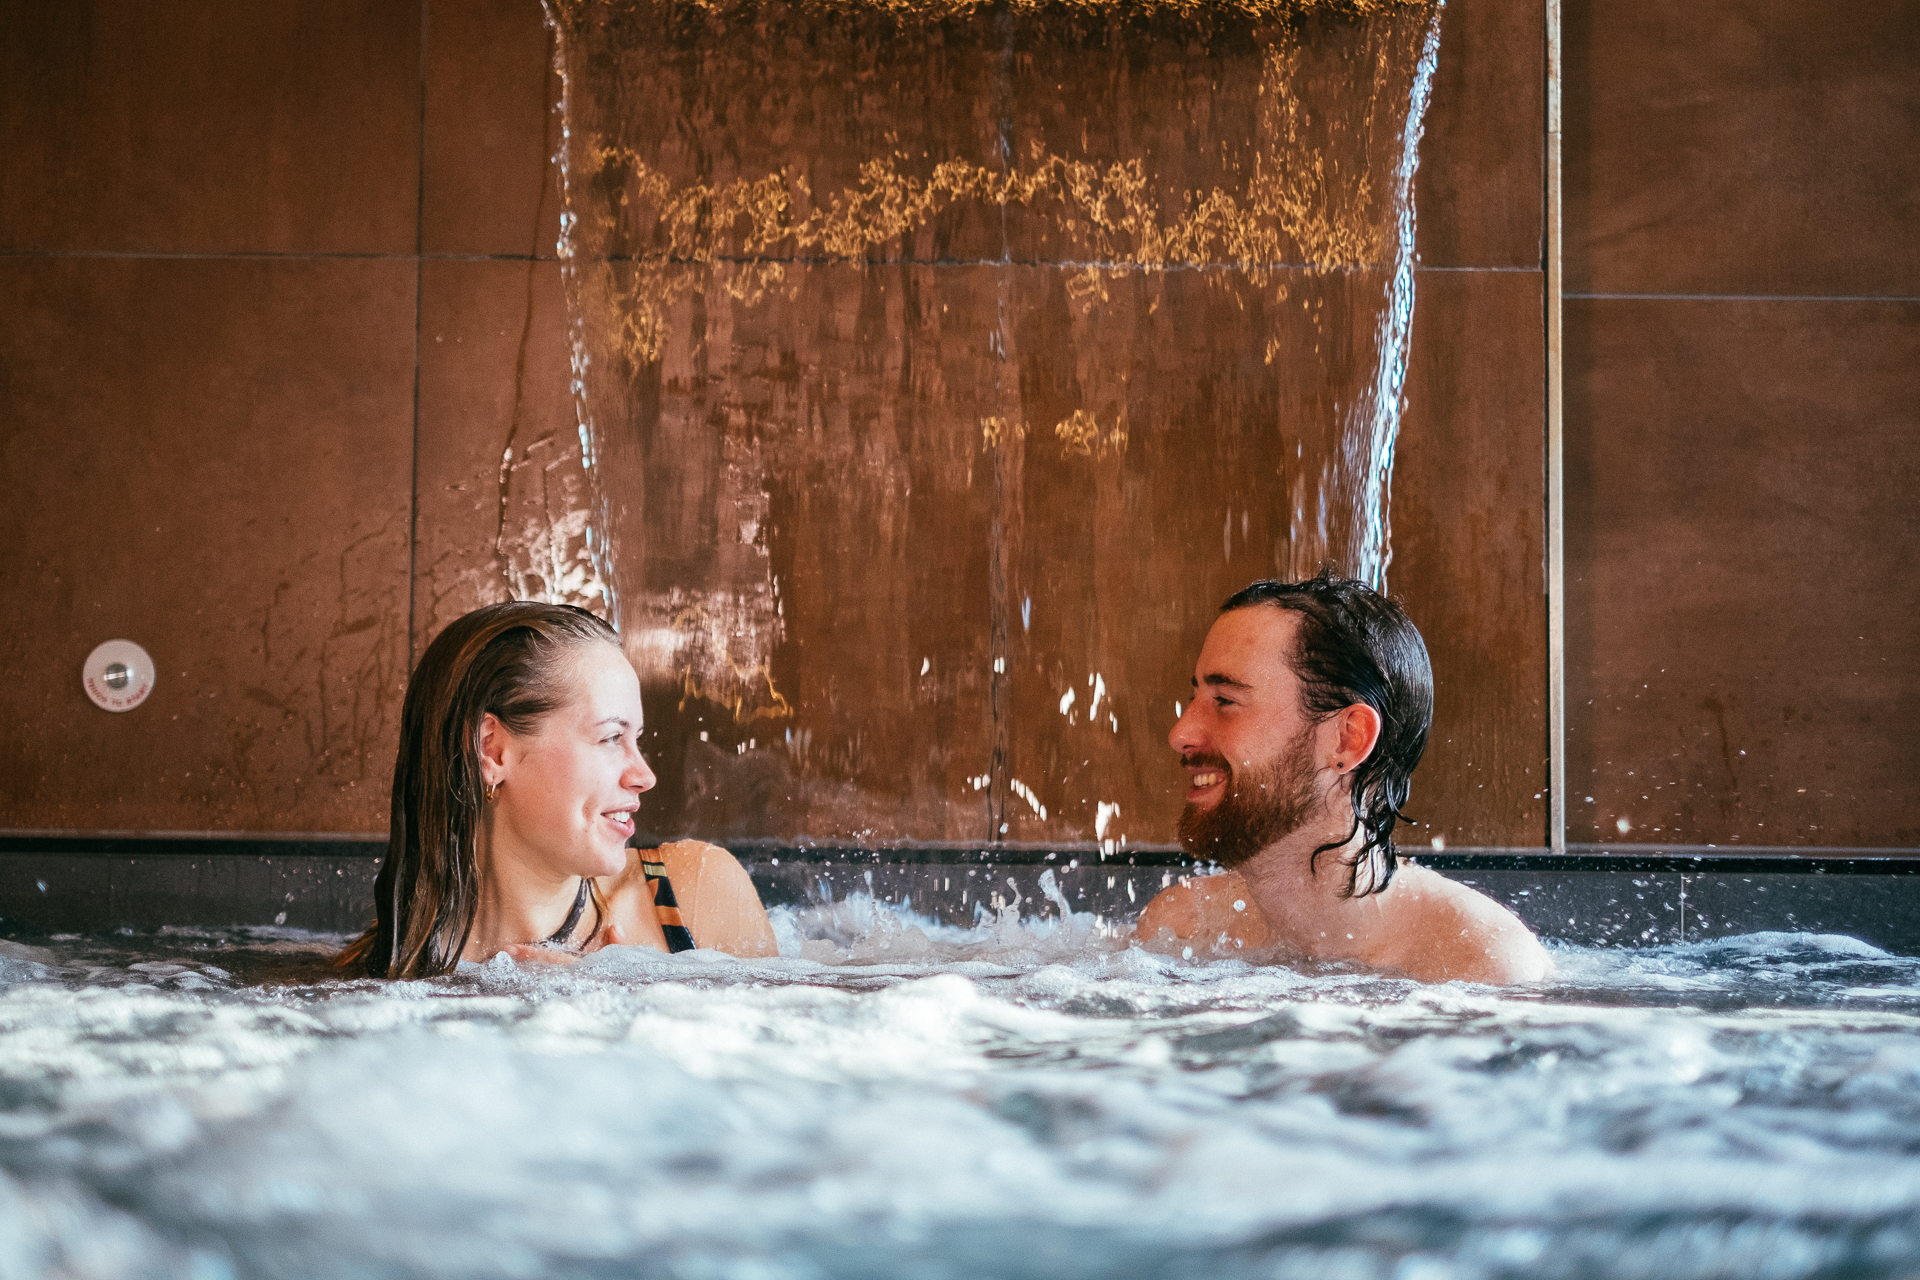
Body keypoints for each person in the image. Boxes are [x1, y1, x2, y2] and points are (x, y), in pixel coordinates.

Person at [1134, 571, 1550, 984]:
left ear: (1348, 740)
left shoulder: (1479, 965)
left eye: (1225, 700)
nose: (1180, 734)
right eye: (1195, 697)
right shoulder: (1182, 929)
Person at [337, 601, 776, 977]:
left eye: (636, 739)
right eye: (611, 737)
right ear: (493, 749)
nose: (644, 776)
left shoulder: (696, 896)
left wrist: (626, 1005)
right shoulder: (387, 975)